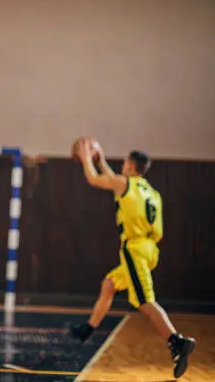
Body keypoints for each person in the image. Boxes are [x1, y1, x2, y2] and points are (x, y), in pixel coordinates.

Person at [68, 139, 195, 379]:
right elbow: (115, 181)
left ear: (129, 165)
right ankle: (88, 329)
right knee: (110, 284)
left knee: (145, 301)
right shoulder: (149, 191)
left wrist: (86, 158)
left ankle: (177, 341)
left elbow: (94, 180)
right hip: (150, 248)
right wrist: (102, 160)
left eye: (124, 163)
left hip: (134, 248)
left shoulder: (124, 183)